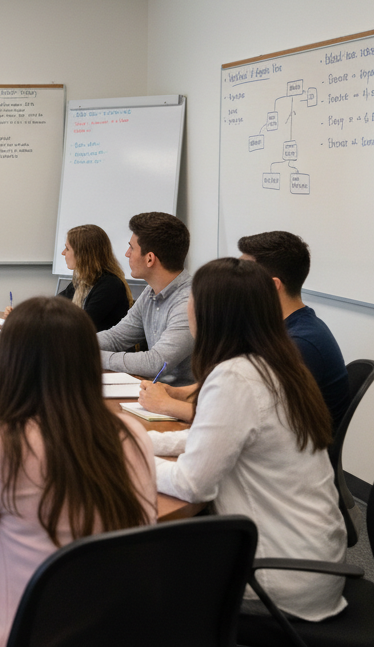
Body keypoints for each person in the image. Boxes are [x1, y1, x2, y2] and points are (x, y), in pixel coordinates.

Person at [0, 296, 157, 647]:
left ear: (11, 363)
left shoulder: (1, 445)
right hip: (116, 631)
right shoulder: (133, 435)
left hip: (30, 636)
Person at [151, 258, 346, 622]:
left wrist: (129, 458)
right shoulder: (275, 362)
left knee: (138, 575)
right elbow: (216, 438)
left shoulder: (235, 378)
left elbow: (192, 484)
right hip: (311, 560)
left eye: (192, 297)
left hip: (278, 581)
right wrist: (142, 442)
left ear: (213, 312)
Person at [139, 231, 351, 428]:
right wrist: (175, 393)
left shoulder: (301, 344)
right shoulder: (273, 329)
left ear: (271, 285)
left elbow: (236, 419)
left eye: (245, 275)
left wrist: (165, 405)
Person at [96, 212, 194, 385]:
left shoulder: (189, 301)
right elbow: (117, 337)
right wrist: (76, 343)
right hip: (154, 394)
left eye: (132, 248)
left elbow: (156, 363)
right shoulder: (151, 291)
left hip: (182, 402)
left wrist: (90, 355)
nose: (127, 254)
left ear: (150, 259)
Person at [3, 224, 132, 331]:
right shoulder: (83, 281)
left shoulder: (110, 285)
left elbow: (81, 324)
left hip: (99, 354)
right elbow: (52, 307)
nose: (63, 253)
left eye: (67, 248)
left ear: (83, 254)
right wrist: (19, 315)